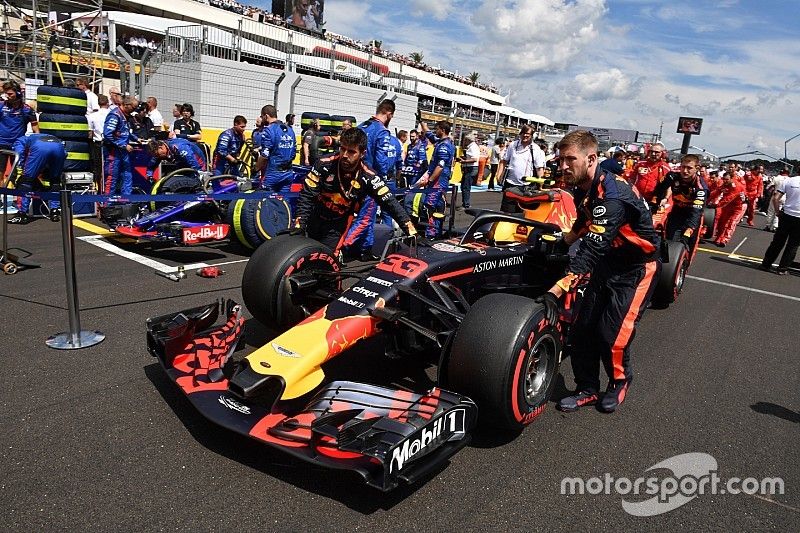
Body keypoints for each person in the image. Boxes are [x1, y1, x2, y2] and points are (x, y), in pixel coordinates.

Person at [547, 130, 660, 413]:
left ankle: (620, 382)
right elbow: (586, 219)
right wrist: (563, 241)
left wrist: (559, 287)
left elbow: (593, 248)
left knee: (610, 333)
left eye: (570, 159)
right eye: (561, 159)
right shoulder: (586, 185)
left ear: (592, 158)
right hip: (609, 262)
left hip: (637, 270)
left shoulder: (613, 196)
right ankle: (586, 388)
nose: (563, 166)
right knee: (582, 329)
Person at [294, 127, 416, 252]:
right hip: (313, 218)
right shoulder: (323, 164)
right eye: (343, 149)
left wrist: (411, 231)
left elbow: (390, 202)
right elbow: (306, 195)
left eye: (351, 152)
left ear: (362, 154)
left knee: (326, 260)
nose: (345, 155)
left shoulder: (368, 176)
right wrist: (300, 223)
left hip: (337, 226)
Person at [343, 99, 395, 260]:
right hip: (370, 180)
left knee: (366, 216)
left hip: (352, 178)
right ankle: (340, 250)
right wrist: (383, 179)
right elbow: (381, 161)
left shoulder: (362, 126)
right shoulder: (382, 131)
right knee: (365, 218)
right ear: (389, 113)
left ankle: (366, 249)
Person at [7, 134, 65, 224]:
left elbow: (19, 154)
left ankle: (22, 214)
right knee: (55, 181)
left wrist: (21, 168)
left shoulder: (19, 140)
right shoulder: (36, 137)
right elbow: (65, 154)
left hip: (40, 147)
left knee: (26, 180)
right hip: (59, 147)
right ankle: (55, 211)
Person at [654, 154, 708, 250]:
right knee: (669, 240)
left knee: (688, 245)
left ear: (697, 168)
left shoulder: (700, 187)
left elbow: (697, 212)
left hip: (692, 214)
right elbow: (658, 190)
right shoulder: (672, 176)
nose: (685, 171)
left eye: (689, 168)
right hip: (677, 211)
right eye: (683, 167)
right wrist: (659, 201)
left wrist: (689, 230)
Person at [414, 119, 455, 237]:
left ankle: (431, 233)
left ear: (442, 130)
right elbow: (429, 134)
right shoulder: (440, 141)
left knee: (429, 206)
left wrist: (430, 180)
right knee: (437, 206)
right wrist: (421, 122)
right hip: (437, 179)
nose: (435, 131)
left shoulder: (444, 146)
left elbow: (440, 166)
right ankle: (436, 232)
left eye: (437, 129)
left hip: (438, 180)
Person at [495, 125, 545, 211]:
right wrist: (499, 174)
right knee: (506, 213)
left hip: (526, 186)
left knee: (522, 214)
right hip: (510, 184)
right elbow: (504, 160)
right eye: (523, 133)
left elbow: (539, 169)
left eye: (528, 134)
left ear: (532, 136)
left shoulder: (536, 149)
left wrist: (540, 185)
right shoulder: (513, 145)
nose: (525, 135)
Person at [760, 172, 800, 274]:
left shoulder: (788, 180)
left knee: (777, 242)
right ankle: (782, 269)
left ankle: (766, 264)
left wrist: (778, 212)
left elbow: (776, 198)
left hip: (786, 215)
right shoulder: (788, 180)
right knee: (793, 245)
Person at [1, 80, 39, 183]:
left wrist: (37, 144)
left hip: (18, 145)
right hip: (1, 144)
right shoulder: (1, 106)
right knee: (0, 172)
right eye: (6, 93)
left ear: (18, 93)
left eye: (10, 94)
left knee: (16, 173)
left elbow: (35, 128)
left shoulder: (27, 109)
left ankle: (17, 197)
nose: (7, 96)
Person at [103, 95, 139, 195]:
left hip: (123, 152)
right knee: (112, 178)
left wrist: (136, 139)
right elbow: (107, 134)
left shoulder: (124, 115)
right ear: (126, 105)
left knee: (127, 176)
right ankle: (107, 205)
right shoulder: (115, 115)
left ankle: (126, 202)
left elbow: (125, 131)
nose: (134, 110)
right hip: (113, 152)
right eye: (134, 108)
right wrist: (123, 145)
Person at [256, 104, 296, 191]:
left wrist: (256, 168)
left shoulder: (269, 130)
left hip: (273, 174)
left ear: (266, 116)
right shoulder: (290, 130)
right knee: (284, 202)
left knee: (264, 201)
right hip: (288, 173)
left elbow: (264, 155)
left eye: (262, 117)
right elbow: (293, 153)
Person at [624, 142, 671, 209]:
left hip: (653, 201)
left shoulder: (666, 168)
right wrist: (629, 190)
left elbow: (669, 186)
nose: (653, 154)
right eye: (651, 151)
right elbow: (631, 178)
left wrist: (666, 198)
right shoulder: (640, 164)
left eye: (656, 152)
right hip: (637, 197)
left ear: (662, 154)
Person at [709, 171, 747, 247]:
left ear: (732, 178)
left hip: (739, 207)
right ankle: (719, 237)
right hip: (728, 206)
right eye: (724, 179)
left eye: (727, 179)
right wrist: (706, 200)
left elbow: (728, 198)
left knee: (732, 223)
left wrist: (716, 205)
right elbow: (716, 192)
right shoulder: (725, 184)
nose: (725, 181)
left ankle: (725, 240)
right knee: (722, 222)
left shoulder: (736, 186)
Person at [87, 94, 110, 187]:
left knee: (98, 167)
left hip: (98, 143)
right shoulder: (112, 113)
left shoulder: (92, 116)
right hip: (110, 143)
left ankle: (98, 187)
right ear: (107, 103)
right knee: (109, 167)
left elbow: (90, 133)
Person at [458, 134, 480, 209]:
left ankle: (466, 204)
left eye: (465, 140)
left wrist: (464, 161)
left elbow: (474, 159)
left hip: (471, 168)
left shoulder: (473, 147)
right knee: (464, 186)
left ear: (468, 140)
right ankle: (465, 203)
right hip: (469, 167)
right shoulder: (472, 146)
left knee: (466, 186)